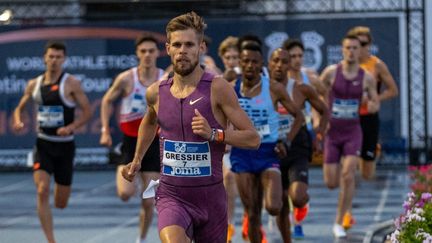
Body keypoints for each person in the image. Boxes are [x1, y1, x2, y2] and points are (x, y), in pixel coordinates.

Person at [122, 11, 260, 243]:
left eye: (189, 44)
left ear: (201, 47)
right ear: (167, 48)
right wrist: (137, 158)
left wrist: (214, 134)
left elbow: (252, 138)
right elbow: (149, 120)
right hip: (171, 195)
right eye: (176, 44)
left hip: (211, 198)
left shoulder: (218, 88)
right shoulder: (156, 92)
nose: (182, 50)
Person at [12, 41, 91, 243]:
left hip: (65, 146)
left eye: (58, 57)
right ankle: (51, 240)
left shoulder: (71, 83)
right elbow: (19, 108)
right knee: (41, 190)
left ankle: (60, 193)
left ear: (64, 59)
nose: (54, 60)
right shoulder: (34, 84)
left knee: (61, 203)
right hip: (43, 144)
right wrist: (19, 121)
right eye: (51, 56)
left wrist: (71, 127)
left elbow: (88, 112)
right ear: (44, 58)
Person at [230, 43, 304, 243]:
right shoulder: (231, 88)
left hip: (267, 151)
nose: (250, 66)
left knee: (273, 207)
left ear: (261, 64)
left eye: (254, 62)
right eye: (245, 61)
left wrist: (286, 142)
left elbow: (299, 117)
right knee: (252, 212)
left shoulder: (273, 88)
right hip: (242, 152)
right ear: (240, 63)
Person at [99, 34, 163, 243]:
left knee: (149, 200)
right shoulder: (127, 78)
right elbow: (107, 100)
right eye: (143, 51)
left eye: (151, 51)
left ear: (157, 53)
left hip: (154, 144)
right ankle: (134, 179)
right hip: (129, 143)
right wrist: (105, 130)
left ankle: (141, 239)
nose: (147, 55)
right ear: (137, 53)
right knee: (125, 193)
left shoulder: (165, 79)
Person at [319, 34, 379, 238]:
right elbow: (316, 93)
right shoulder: (330, 73)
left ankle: (340, 219)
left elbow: (375, 101)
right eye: (348, 48)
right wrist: (319, 117)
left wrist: (371, 105)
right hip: (333, 133)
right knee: (331, 182)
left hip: (353, 132)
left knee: (348, 174)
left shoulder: (367, 77)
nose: (352, 51)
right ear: (342, 50)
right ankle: (343, 210)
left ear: (359, 51)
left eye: (355, 48)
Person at [269, 47, 329, 243]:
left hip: (297, 146)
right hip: (272, 148)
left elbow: (324, 110)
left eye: (284, 61)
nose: (279, 65)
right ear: (269, 63)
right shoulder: (261, 89)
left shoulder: (301, 89)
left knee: (297, 197)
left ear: (288, 66)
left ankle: (302, 203)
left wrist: (319, 135)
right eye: (275, 60)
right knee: (279, 204)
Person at [347, 26, 399, 180]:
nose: (360, 49)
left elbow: (393, 90)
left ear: (369, 45)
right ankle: (349, 197)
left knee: (367, 171)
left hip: (369, 117)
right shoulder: (344, 65)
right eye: (357, 45)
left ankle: (373, 150)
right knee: (349, 165)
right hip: (349, 118)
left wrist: (375, 99)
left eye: (364, 44)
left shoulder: (376, 65)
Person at [217, 35, 241, 243]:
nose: (232, 60)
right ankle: (229, 224)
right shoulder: (216, 81)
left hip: (246, 139)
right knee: (229, 178)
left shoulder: (250, 79)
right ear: (222, 58)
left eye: (236, 56)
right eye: (228, 57)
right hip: (225, 142)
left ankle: (253, 218)